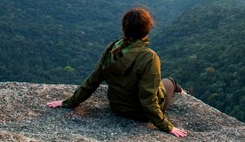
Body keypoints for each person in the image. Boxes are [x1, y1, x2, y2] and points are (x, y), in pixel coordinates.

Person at [47, 7, 188, 138]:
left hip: (117, 107)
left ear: (124, 28)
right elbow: (148, 99)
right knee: (171, 82)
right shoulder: (149, 57)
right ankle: (182, 92)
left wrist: (69, 102)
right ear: (147, 30)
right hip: (140, 114)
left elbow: (93, 81)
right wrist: (167, 126)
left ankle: (181, 91)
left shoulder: (112, 48)